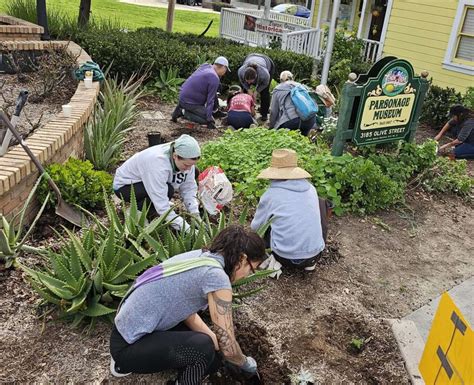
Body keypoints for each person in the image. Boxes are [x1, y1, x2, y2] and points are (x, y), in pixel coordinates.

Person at [110, 225, 266, 384]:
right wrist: (246, 364)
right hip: (127, 347)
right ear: (242, 259)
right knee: (204, 349)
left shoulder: (201, 257)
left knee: (212, 359)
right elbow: (228, 347)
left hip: (126, 330)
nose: (248, 275)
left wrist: (217, 345)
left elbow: (187, 313)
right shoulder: (216, 277)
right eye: (252, 269)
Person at [251, 149, 327, 272]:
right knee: (321, 204)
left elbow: (256, 227)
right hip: (315, 256)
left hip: (283, 257)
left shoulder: (271, 195)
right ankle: (308, 261)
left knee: (267, 223)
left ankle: (275, 259)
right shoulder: (311, 189)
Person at [113, 134, 201, 232]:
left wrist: (195, 215)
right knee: (168, 191)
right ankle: (135, 212)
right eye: (186, 165)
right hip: (125, 185)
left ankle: (149, 207)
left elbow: (188, 187)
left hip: (147, 179)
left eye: (191, 165)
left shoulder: (184, 155)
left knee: (194, 172)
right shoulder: (157, 163)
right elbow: (162, 205)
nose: (189, 169)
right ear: (175, 156)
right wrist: (187, 229)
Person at [172, 57, 230, 130]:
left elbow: (212, 94)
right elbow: (210, 100)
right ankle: (183, 112)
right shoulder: (214, 78)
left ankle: (215, 111)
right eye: (226, 70)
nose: (225, 73)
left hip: (183, 96)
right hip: (190, 102)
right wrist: (209, 120)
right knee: (206, 120)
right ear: (223, 67)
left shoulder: (206, 66)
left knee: (213, 93)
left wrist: (214, 110)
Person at [268, 71, 316, 136]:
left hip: (290, 121)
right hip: (309, 119)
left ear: (281, 80)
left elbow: (273, 111)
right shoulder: (302, 87)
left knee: (281, 136)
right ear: (292, 78)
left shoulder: (278, 89)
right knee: (302, 140)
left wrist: (271, 127)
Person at [237, 53, 275, 121]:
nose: (249, 83)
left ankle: (264, 114)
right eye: (247, 81)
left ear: (256, 77)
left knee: (265, 92)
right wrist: (248, 89)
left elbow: (265, 84)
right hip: (250, 57)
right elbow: (242, 82)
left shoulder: (264, 74)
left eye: (251, 81)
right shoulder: (241, 71)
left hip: (267, 61)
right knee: (244, 92)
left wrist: (256, 91)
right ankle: (245, 110)